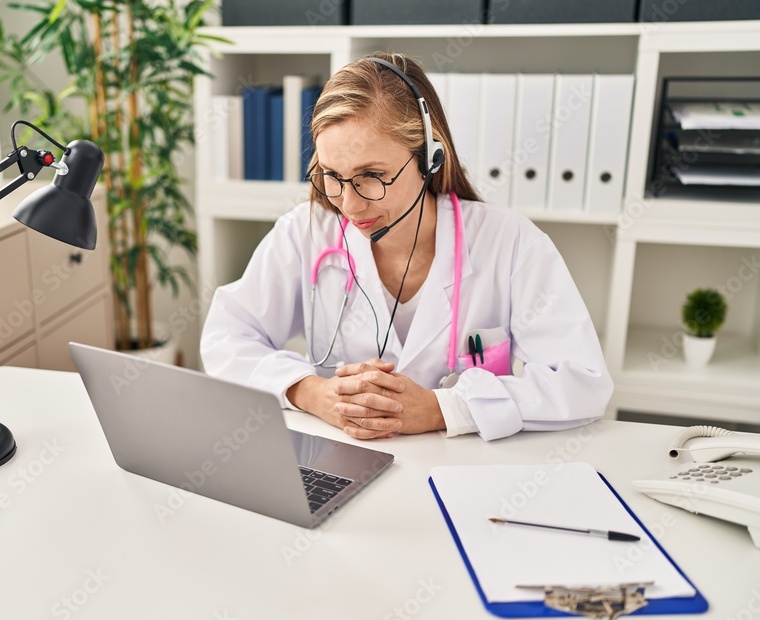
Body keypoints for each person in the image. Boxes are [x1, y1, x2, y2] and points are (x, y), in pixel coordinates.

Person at [200, 52, 613, 442]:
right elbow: (226, 338)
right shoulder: (305, 233)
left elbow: (584, 383)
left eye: (372, 175)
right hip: (344, 461)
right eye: (332, 175)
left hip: (461, 475)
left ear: (429, 157)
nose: (349, 203)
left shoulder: (509, 242)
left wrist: (445, 408)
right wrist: (311, 393)